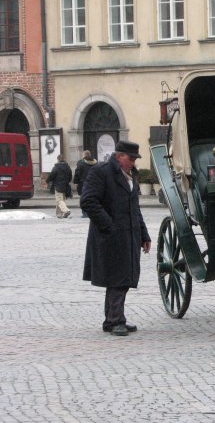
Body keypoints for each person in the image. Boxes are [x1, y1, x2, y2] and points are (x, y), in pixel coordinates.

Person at [81, 140, 151, 337]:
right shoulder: (101, 172)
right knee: (118, 278)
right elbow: (88, 201)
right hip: (110, 235)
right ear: (119, 156)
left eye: (135, 159)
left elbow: (135, 208)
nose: (133, 163)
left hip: (129, 235)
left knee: (123, 277)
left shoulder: (130, 176)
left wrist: (144, 234)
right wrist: (108, 226)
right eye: (131, 158)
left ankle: (113, 320)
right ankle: (115, 320)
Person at [46, 154, 72, 218]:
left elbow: (52, 175)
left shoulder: (56, 167)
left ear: (58, 160)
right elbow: (70, 176)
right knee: (61, 199)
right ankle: (59, 214)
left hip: (58, 186)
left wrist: (47, 181)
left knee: (59, 200)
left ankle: (66, 210)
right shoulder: (67, 167)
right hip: (65, 185)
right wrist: (67, 181)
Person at [73, 150, 97, 217]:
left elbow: (77, 173)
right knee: (92, 198)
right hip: (93, 183)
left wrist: (76, 182)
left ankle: (85, 213)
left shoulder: (81, 163)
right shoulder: (95, 163)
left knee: (83, 198)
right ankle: (92, 212)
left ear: (84, 155)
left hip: (83, 184)